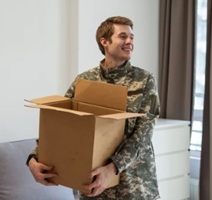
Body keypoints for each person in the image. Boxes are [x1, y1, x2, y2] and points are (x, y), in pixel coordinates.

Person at [26, 16, 160, 200]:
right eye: (123, 36)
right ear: (104, 41)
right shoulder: (85, 81)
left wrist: (111, 169)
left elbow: (143, 134)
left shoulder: (144, 80)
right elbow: (61, 123)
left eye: (131, 37)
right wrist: (34, 158)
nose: (129, 41)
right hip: (93, 188)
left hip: (133, 187)